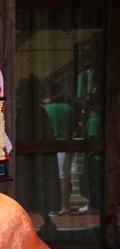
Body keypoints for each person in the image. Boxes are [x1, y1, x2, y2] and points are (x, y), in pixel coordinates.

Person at [41, 86, 76, 216]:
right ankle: (65, 205)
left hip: (53, 146)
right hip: (67, 144)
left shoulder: (47, 110)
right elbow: (74, 127)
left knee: (60, 177)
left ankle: (62, 207)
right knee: (65, 176)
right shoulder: (69, 108)